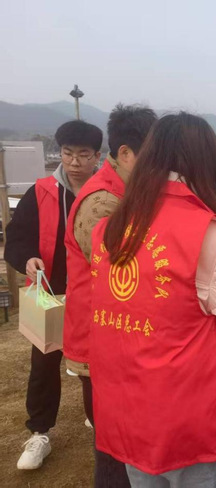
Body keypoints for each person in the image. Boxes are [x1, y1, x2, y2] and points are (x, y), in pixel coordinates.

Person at [88, 112, 216, 487]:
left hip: (129, 410)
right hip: (188, 418)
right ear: (206, 163)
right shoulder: (204, 234)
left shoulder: (110, 228)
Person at [62, 104, 157, 487]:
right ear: (125, 153)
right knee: (114, 447)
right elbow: (124, 271)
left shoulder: (124, 189)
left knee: (124, 438)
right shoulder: (101, 203)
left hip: (114, 335)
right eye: (152, 156)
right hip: (99, 340)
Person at [5, 120, 102, 470]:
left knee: (95, 366)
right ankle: (39, 432)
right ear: (59, 152)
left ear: (97, 156)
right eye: (67, 153)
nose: (74, 162)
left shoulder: (107, 194)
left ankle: (101, 425)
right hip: (52, 295)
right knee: (44, 364)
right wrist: (27, 259)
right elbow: (17, 239)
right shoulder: (42, 192)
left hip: (96, 298)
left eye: (83, 154)